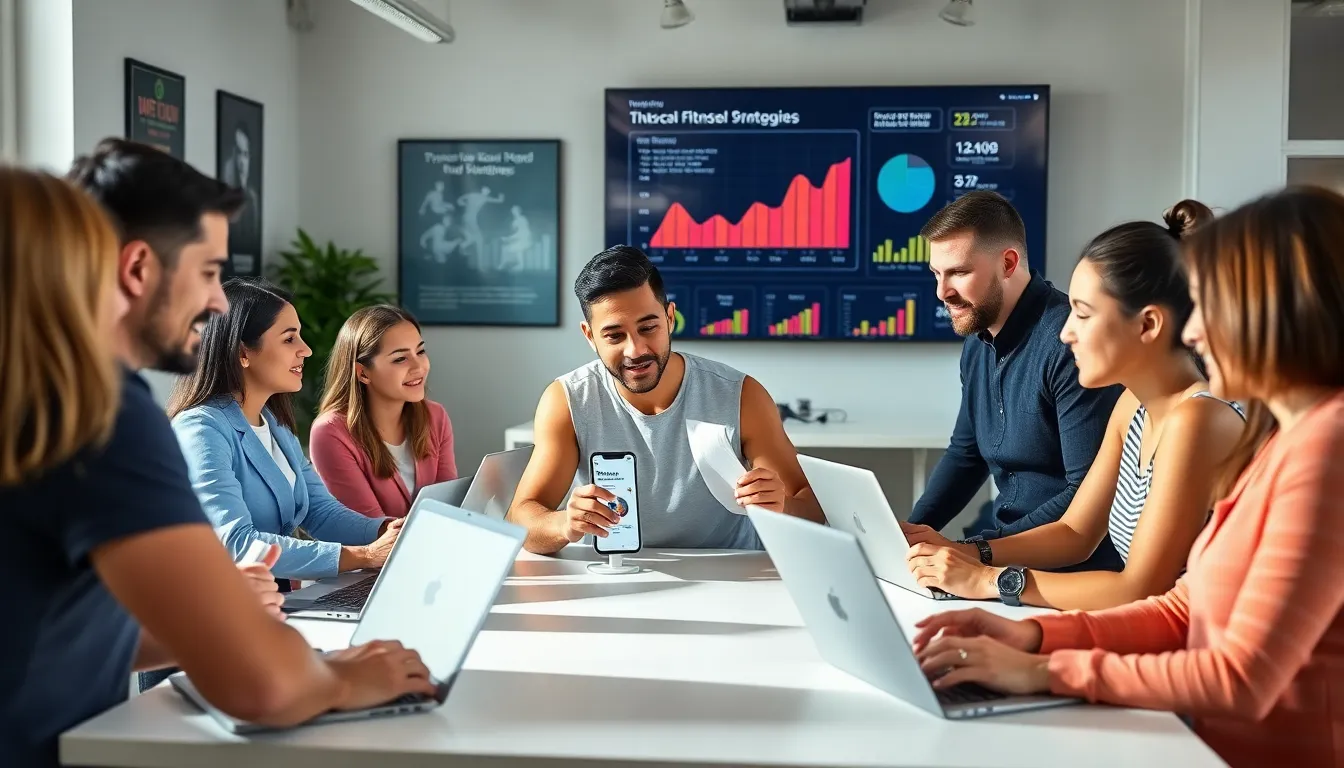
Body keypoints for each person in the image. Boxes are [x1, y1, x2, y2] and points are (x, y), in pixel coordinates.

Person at [1, 158, 429, 768]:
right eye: (207, 273)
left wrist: (218, 615)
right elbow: (263, 689)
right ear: (138, 269)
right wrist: (341, 678)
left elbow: (45, 630)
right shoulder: (99, 414)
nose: (213, 304)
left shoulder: (34, 404)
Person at [911, 185, 1344, 768]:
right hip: (1193, 744)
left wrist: (1043, 668)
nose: (1192, 333)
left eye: (1213, 306)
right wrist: (1029, 637)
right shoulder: (1282, 443)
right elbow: (1180, 609)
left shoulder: (1325, 449)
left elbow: (1241, 678)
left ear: (1281, 308)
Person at [903, 201, 1245, 609]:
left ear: (1147, 325)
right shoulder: (1133, 406)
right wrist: (968, 557)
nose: (1065, 332)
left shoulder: (1196, 420)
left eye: (1081, 314)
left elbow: (1140, 591)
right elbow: (1075, 532)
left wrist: (988, 578)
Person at [507, 245, 822, 555]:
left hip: (729, 576)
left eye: (648, 327)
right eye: (614, 336)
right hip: (615, 571)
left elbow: (812, 506)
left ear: (670, 318)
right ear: (590, 336)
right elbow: (521, 519)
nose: (636, 350)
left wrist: (781, 506)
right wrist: (564, 524)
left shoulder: (741, 395)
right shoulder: (567, 399)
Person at [905, 191, 1125, 572]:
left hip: (1070, 570)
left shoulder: (1071, 344)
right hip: (1008, 558)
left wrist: (976, 552)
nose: (942, 292)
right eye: (936, 274)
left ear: (1008, 263)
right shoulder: (977, 343)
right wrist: (914, 530)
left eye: (959, 272)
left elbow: (1085, 493)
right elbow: (966, 454)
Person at [169, 279, 404, 581]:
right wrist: (364, 556)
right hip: (221, 607)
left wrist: (388, 530)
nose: (305, 350)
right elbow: (237, 544)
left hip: (273, 598)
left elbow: (321, 512)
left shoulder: (274, 425)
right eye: (289, 339)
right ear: (243, 352)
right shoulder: (202, 429)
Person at [310, 305, 458, 518]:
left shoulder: (435, 417)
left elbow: (449, 508)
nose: (419, 367)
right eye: (400, 358)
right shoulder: (330, 433)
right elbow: (371, 530)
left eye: (420, 351)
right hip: (379, 550)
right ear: (363, 373)